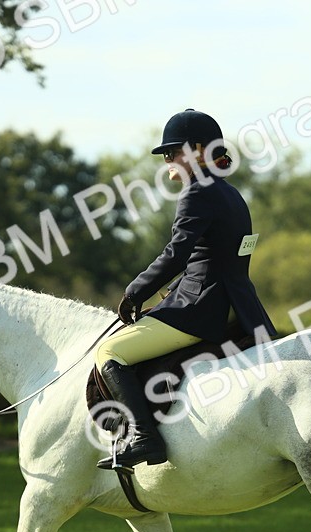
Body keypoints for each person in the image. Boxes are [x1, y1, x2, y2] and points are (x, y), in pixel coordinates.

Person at [94, 108, 278, 470]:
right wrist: (176, 286)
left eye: (171, 152)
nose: (167, 162)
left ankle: (145, 438)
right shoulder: (231, 193)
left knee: (110, 353)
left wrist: (135, 291)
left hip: (201, 309)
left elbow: (177, 253)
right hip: (239, 307)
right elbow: (219, 258)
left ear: (196, 150)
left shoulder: (196, 193)